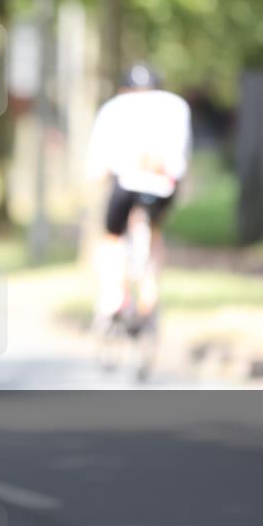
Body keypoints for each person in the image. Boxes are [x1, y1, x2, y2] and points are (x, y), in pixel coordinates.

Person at [85, 63, 192, 336]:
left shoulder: (114, 107)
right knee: (154, 234)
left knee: (112, 237)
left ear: (125, 88)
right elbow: (181, 159)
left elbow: (98, 163)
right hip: (161, 187)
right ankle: (149, 297)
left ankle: (115, 298)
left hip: (126, 183)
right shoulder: (176, 105)